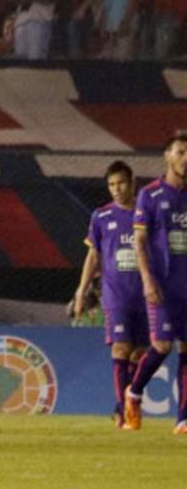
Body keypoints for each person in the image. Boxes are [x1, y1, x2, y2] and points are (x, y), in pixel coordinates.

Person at [123, 133, 187, 434]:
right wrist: (147, 279)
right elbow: (139, 240)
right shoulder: (150, 194)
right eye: (180, 152)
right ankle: (134, 393)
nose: (185, 158)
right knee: (161, 345)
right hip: (161, 285)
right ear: (167, 156)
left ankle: (183, 418)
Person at [75, 160, 145, 427]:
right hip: (116, 295)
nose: (116, 189)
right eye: (111, 185)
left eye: (121, 183)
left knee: (139, 354)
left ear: (132, 183)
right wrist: (81, 290)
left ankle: (130, 400)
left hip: (146, 294)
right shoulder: (101, 216)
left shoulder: (146, 212)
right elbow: (93, 255)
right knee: (120, 347)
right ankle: (120, 409)